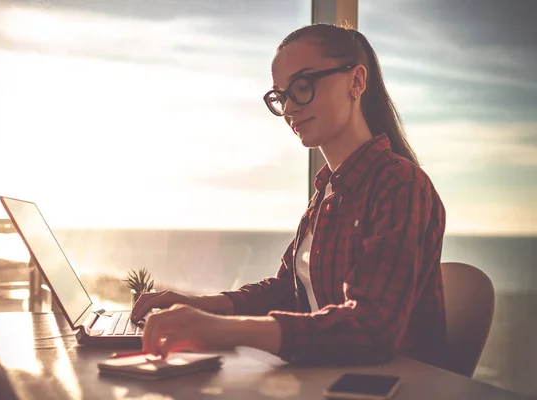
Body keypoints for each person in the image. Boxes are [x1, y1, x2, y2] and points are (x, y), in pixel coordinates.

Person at [131, 23, 447, 368]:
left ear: (356, 81)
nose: (290, 109)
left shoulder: (400, 184)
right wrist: (203, 305)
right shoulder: (329, 188)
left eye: (302, 86)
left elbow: (370, 330)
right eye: (281, 96)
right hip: (329, 376)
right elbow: (287, 292)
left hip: (393, 384)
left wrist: (226, 330)